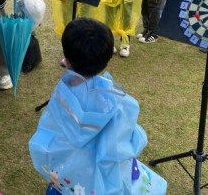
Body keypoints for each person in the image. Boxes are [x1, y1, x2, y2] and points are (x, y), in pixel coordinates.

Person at [29, 17, 167, 195]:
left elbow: (46, 137)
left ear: (67, 59)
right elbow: (129, 141)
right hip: (105, 183)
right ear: (107, 60)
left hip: (68, 178)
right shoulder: (118, 100)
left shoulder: (62, 98)